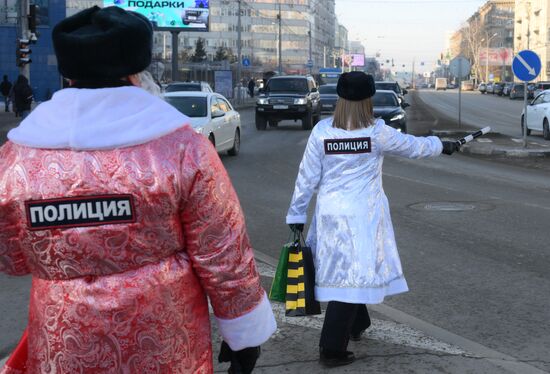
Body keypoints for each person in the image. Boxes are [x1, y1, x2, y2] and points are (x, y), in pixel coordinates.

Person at [0, 6, 275, 373]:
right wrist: (243, 334)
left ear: (68, 73)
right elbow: (223, 251)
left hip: (63, 338)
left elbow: (13, 258)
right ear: (136, 70)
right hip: (164, 339)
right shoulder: (180, 147)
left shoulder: (17, 156)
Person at [286, 71, 459, 368]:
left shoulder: (323, 131)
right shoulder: (376, 132)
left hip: (330, 217)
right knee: (354, 276)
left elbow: (306, 178)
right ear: (368, 100)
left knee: (350, 270)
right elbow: (414, 147)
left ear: (340, 99)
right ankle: (331, 349)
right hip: (363, 218)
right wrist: (443, 145)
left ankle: (357, 324)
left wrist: (297, 214)